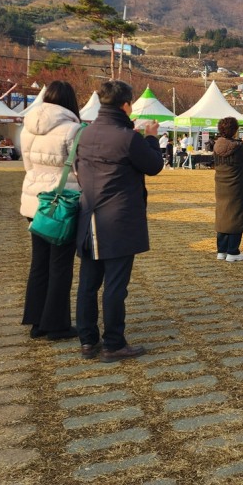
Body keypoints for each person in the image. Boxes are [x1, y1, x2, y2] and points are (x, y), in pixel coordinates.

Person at [75, 80, 164, 363]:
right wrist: (150, 137)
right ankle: (113, 343)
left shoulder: (85, 134)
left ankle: (88, 341)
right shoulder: (128, 138)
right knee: (115, 285)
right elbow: (154, 166)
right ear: (126, 105)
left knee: (88, 284)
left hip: (88, 216)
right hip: (118, 221)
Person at [20, 81, 82, 341]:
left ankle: (36, 321)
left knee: (39, 264)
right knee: (60, 265)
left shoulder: (27, 128)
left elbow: (27, 165)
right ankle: (56, 324)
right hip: (62, 205)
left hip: (34, 202)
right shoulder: (74, 129)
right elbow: (79, 171)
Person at [213, 117, 243, 261]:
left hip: (221, 186)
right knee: (236, 217)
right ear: (234, 130)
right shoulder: (237, 147)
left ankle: (222, 250)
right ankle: (233, 251)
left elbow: (230, 149)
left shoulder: (217, 145)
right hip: (237, 186)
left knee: (223, 216)